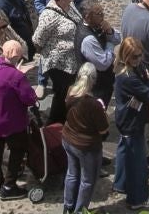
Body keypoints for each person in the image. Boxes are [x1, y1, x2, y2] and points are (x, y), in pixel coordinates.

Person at [0, 38, 41, 199]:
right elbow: (29, 98)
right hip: (8, 119)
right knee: (18, 149)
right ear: (18, 57)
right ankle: (9, 186)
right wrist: (20, 74)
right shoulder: (16, 76)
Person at [110, 36, 149, 209]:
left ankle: (121, 184)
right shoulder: (127, 77)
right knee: (138, 163)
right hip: (132, 122)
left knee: (125, 153)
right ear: (126, 56)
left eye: (140, 55)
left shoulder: (131, 68)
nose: (139, 59)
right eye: (135, 56)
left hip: (127, 119)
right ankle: (137, 199)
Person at [33, 0, 84, 123]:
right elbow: (37, 39)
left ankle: (65, 118)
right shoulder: (49, 16)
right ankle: (54, 124)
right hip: (58, 64)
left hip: (72, 60)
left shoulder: (70, 4)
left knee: (67, 90)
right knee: (61, 94)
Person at [60, 64, 108, 214]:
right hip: (86, 146)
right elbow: (104, 129)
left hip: (68, 138)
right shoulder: (93, 104)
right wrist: (104, 112)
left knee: (72, 173)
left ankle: (68, 206)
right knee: (87, 180)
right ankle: (80, 211)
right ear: (94, 80)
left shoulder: (71, 91)